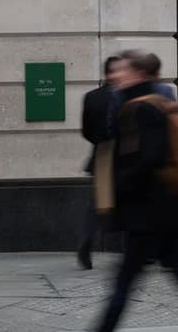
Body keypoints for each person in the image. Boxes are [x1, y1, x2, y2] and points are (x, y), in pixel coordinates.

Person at [96, 50, 178, 332]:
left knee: (123, 284)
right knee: (126, 282)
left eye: (123, 70)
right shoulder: (157, 101)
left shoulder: (141, 108)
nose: (116, 75)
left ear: (139, 74)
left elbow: (151, 158)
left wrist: (120, 185)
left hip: (149, 214)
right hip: (161, 211)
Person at [77, 56, 121, 270]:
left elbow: (86, 130)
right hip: (125, 156)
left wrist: (100, 142)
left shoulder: (92, 97)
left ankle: (86, 244)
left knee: (97, 205)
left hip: (102, 154)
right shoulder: (127, 96)